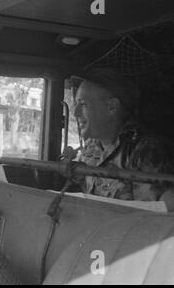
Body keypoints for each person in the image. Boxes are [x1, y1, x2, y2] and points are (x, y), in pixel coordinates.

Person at [70, 67, 173, 202]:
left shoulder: (145, 151)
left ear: (111, 107)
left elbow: (149, 215)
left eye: (83, 104)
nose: (75, 113)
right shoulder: (92, 146)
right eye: (76, 104)